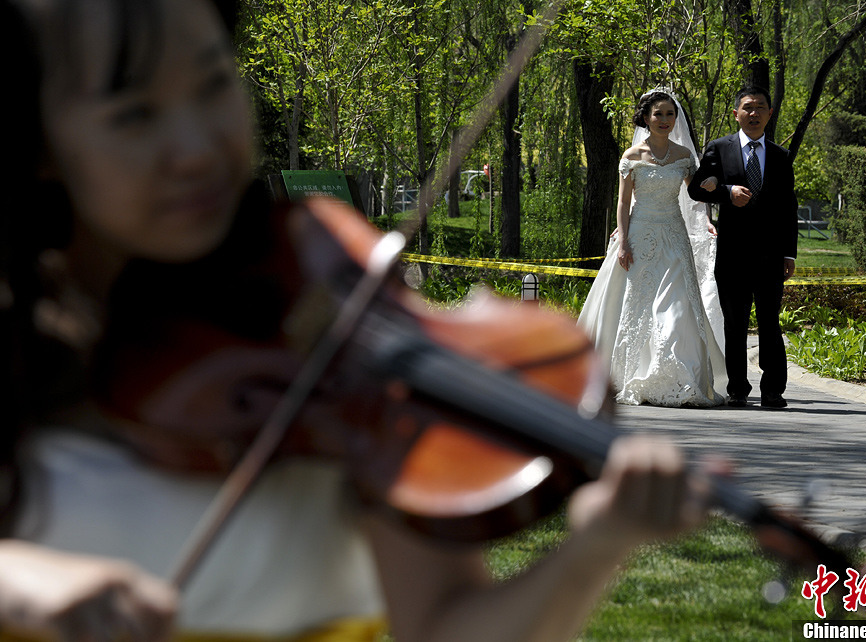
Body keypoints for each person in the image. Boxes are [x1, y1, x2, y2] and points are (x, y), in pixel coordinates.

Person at [0, 1, 708, 640]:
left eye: (215, 84)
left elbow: (444, 629)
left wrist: (593, 550)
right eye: (134, 114)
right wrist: (21, 585)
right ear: (33, 138)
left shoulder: (325, 297)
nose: (196, 147)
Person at [577, 90, 726, 407]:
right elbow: (623, 201)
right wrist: (623, 241)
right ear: (646, 117)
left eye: (670, 114)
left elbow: (696, 194)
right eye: (658, 114)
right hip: (640, 234)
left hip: (673, 235)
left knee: (676, 305)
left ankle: (677, 376)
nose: (665, 120)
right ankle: (631, 372)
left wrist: (707, 218)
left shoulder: (684, 156)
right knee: (637, 303)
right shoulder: (631, 156)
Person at [687, 86, 798, 409]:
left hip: (771, 255)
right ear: (735, 113)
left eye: (760, 107)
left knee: (769, 322)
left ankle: (773, 390)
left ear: (769, 114)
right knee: (734, 324)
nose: (753, 113)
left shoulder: (780, 156)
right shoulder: (719, 149)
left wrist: (789, 252)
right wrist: (726, 191)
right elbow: (696, 189)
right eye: (747, 108)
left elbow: (789, 207)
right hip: (732, 254)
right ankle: (738, 388)